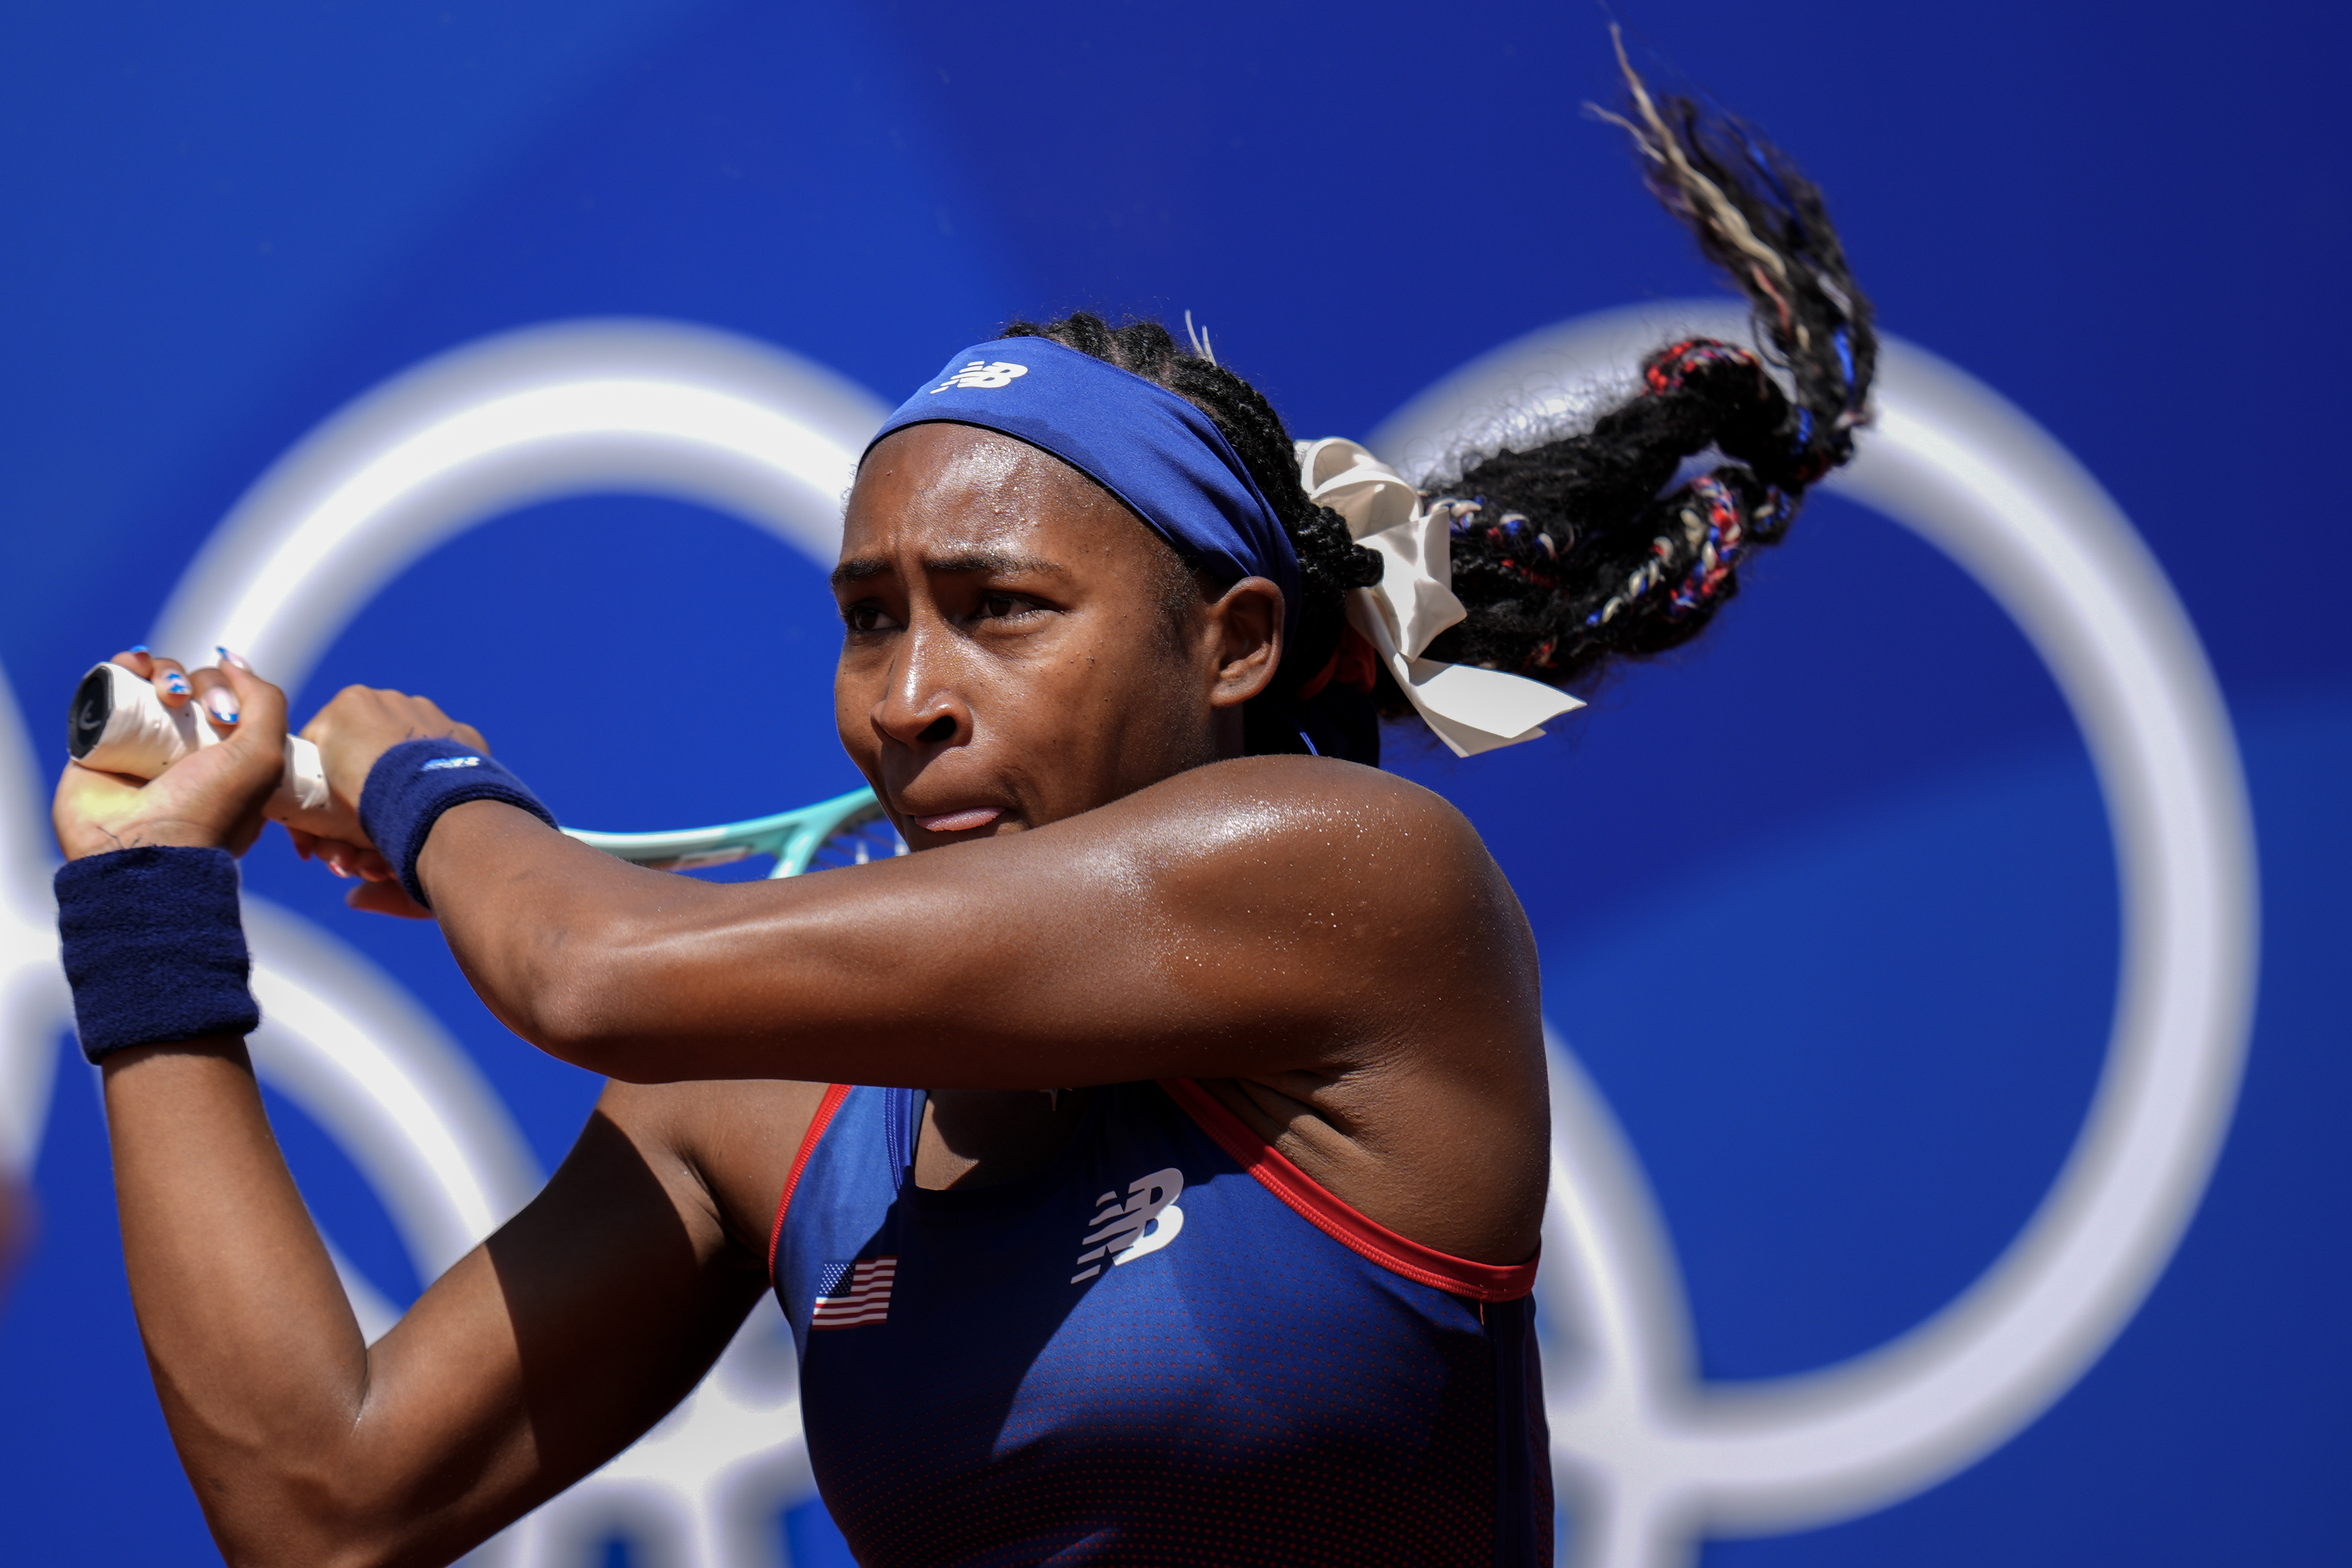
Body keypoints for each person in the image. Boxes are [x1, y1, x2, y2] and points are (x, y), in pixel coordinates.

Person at [48, 47, 1873, 1568]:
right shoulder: (757, 1106)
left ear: (1235, 645)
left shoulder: (1366, 886)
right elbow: (322, 1498)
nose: (906, 696)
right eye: (868, 619)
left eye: (1000, 609)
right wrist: (147, 911)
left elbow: (586, 969)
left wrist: (423, 778)